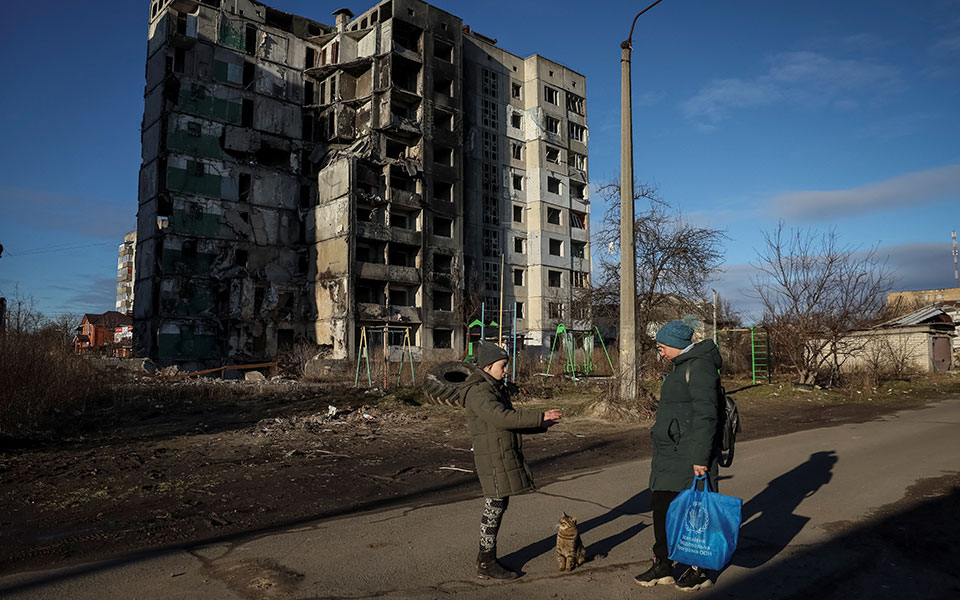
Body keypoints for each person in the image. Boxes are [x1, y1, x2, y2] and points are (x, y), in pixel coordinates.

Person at [634, 316, 722, 592]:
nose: (659, 350)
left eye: (662, 345)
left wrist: (700, 457)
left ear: (676, 344)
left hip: (689, 454)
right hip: (668, 453)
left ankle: (700, 569)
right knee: (662, 508)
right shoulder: (680, 366)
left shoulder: (700, 367)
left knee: (696, 512)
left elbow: (707, 415)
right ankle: (663, 564)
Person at [461, 342, 562, 579]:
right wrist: (539, 417)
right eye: (502, 366)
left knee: (497, 506)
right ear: (487, 366)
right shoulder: (479, 391)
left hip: (499, 452)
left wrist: (541, 425)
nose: (506, 370)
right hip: (493, 456)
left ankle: (486, 557)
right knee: (494, 507)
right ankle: (486, 562)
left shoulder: (493, 388)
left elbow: (509, 422)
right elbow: (502, 417)